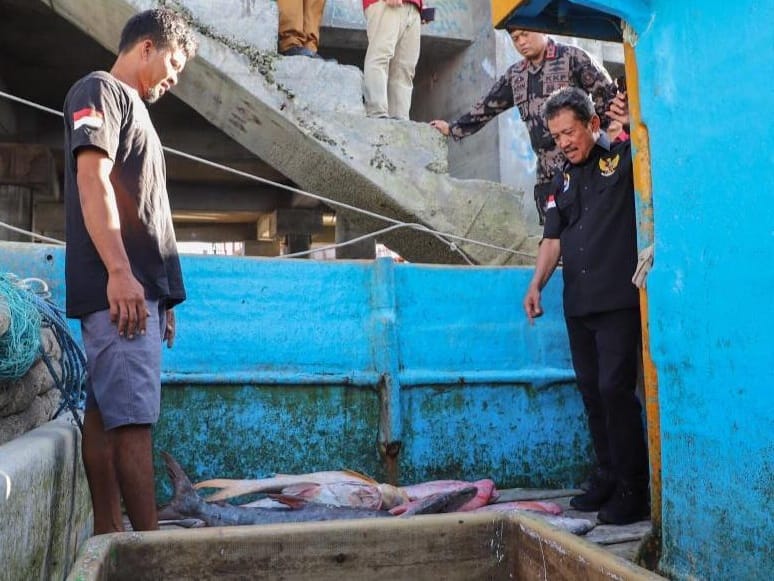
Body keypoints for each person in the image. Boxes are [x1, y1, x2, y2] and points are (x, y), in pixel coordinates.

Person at [62, 8, 197, 534]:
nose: (174, 77)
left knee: (104, 416)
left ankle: (108, 535)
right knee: (133, 426)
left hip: (139, 293)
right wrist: (120, 273)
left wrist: (167, 297)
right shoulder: (100, 91)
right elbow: (91, 181)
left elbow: (149, 211)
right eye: (174, 63)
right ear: (147, 46)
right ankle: (150, 552)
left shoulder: (138, 113)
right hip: (120, 293)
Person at [522, 87, 649, 525]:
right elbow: (552, 239)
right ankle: (608, 475)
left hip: (618, 300)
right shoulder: (561, 180)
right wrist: (535, 284)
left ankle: (635, 487)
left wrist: (634, 121)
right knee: (593, 394)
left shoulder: (624, 157)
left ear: (593, 124)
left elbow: (655, 148)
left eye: (570, 132)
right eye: (556, 136)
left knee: (616, 391)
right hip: (577, 303)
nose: (564, 142)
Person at [430, 29, 616, 225]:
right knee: (555, 236)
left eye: (525, 34)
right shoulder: (516, 75)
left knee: (592, 228)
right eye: (515, 38)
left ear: (540, 29)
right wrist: (452, 128)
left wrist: (602, 140)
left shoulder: (571, 57)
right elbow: (487, 106)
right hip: (549, 176)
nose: (521, 42)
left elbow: (608, 96)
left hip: (585, 166)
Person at [362, 0, 424, 119]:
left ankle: (399, 120)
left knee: (405, 68)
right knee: (380, 56)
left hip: (413, 7)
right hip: (384, 3)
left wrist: (420, 4)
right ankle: (377, 113)